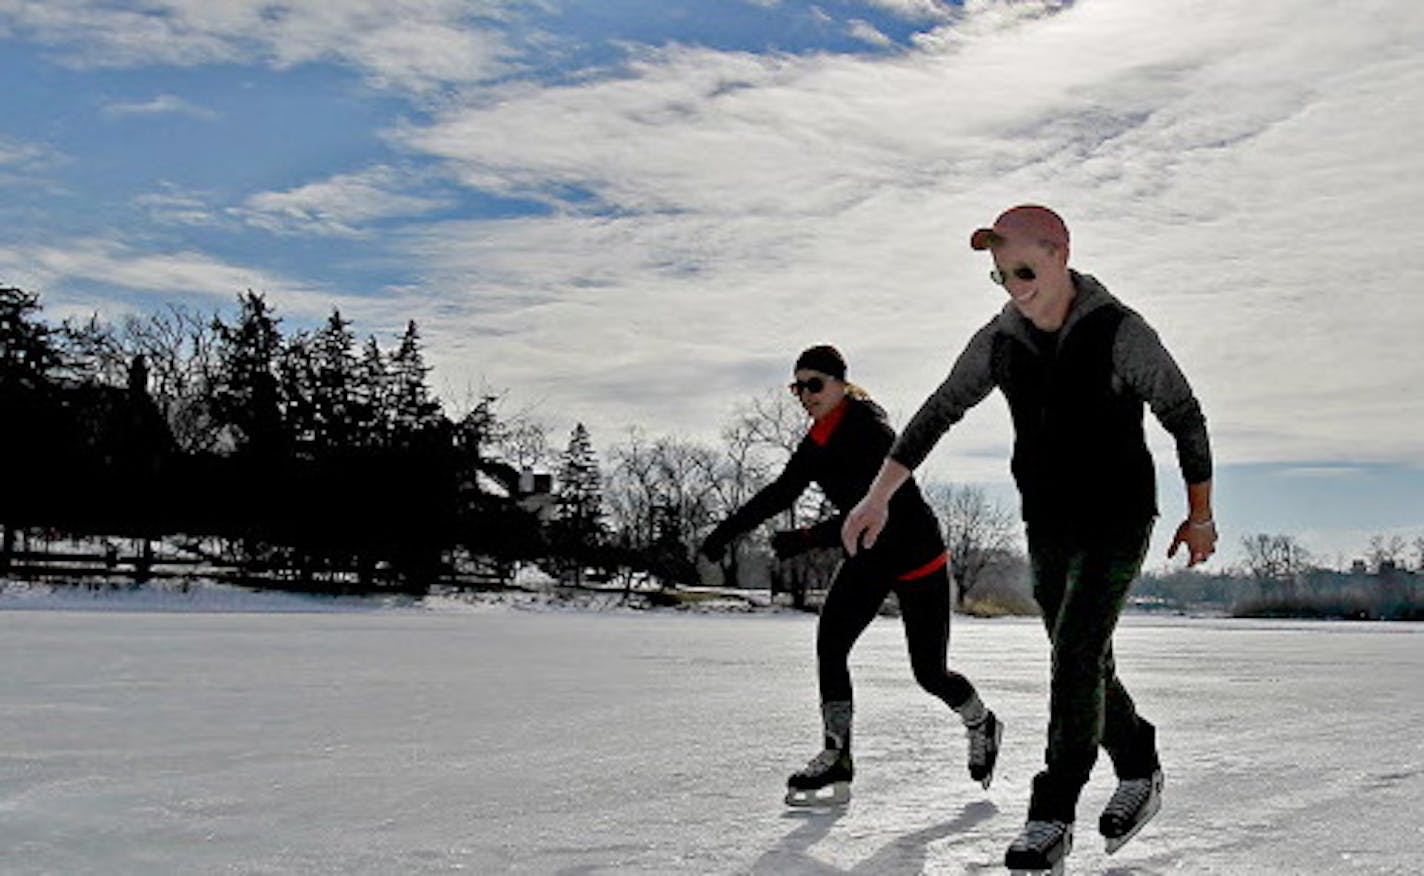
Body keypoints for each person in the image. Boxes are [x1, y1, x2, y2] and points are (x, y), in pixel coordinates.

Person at [840, 205, 1216, 872]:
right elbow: (938, 411)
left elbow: (1182, 412)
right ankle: (1139, 764)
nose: (1014, 286)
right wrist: (877, 497)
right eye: (999, 275)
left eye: (1025, 270)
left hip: (1119, 517)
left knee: (1074, 651)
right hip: (1047, 519)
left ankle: (1052, 811)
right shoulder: (1002, 339)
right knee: (1084, 658)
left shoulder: (1119, 331)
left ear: (1060, 253)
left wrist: (1200, 514)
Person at [700, 344, 1002, 807]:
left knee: (930, 673)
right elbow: (780, 491)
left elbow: (875, 509)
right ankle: (836, 754)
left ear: (841, 384)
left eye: (814, 384)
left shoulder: (870, 430)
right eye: (797, 386)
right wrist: (725, 533)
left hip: (916, 556)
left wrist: (805, 539)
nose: (805, 394)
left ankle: (981, 721)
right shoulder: (818, 439)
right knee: (831, 645)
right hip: (868, 558)